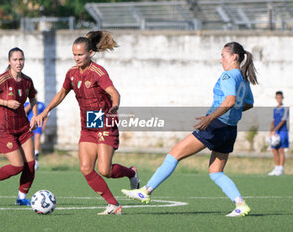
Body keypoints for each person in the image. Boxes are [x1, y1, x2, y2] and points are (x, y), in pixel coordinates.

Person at [122, 42, 258, 217]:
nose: (220, 60)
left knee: (174, 154)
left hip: (215, 126)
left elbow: (230, 101)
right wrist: (230, 113)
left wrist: (210, 117)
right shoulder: (243, 78)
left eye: (223, 55)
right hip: (230, 129)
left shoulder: (227, 76)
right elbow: (248, 103)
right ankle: (241, 204)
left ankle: (145, 191)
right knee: (216, 172)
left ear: (234, 57)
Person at [34, 31, 140, 215]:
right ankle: (113, 205)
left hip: (106, 123)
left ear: (90, 53)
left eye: (80, 54)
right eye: (74, 54)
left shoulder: (98, 72)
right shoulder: (72, 73)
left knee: (105, 170)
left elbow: (115, 93)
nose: (76, 58)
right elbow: (61, 94)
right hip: (88, 127)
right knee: (85, 168)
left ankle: (131, 173)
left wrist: (115, 106)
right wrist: (45, 112)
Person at [0, 47, 37, 206]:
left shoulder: (27, 81)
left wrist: (35, 116)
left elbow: (33, 99)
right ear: (9, 61)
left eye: (21, 59)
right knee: (17, 166)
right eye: (15, 60)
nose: (19, 63)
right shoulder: (3, 79)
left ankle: (21, 198)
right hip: (5, 129)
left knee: (31, 165)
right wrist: (6, 103)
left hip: (23, 127)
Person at [24, 92, 48, 170]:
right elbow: (24, 112)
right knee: (28, 142)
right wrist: (31, 105)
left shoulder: (41, 104)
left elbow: (46, 115)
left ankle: (36, 156)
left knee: (37, 137)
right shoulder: (26, 104)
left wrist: (44, 125)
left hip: (38, 125)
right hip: (28, 126)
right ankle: (28, 159)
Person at [268, 91, 289, 176]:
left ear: (282, 98)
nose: (279, 99)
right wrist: (271, 131)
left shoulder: (285, 108)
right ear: (276, 98)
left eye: (280, 97)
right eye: (277, 97)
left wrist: (275, 130)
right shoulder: (275, 109)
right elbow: (273, 121)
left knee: (281, 149)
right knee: (274, 149)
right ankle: (276, 168)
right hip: (275, 132)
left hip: (282, 131)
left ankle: (281, 169)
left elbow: (283, 121)